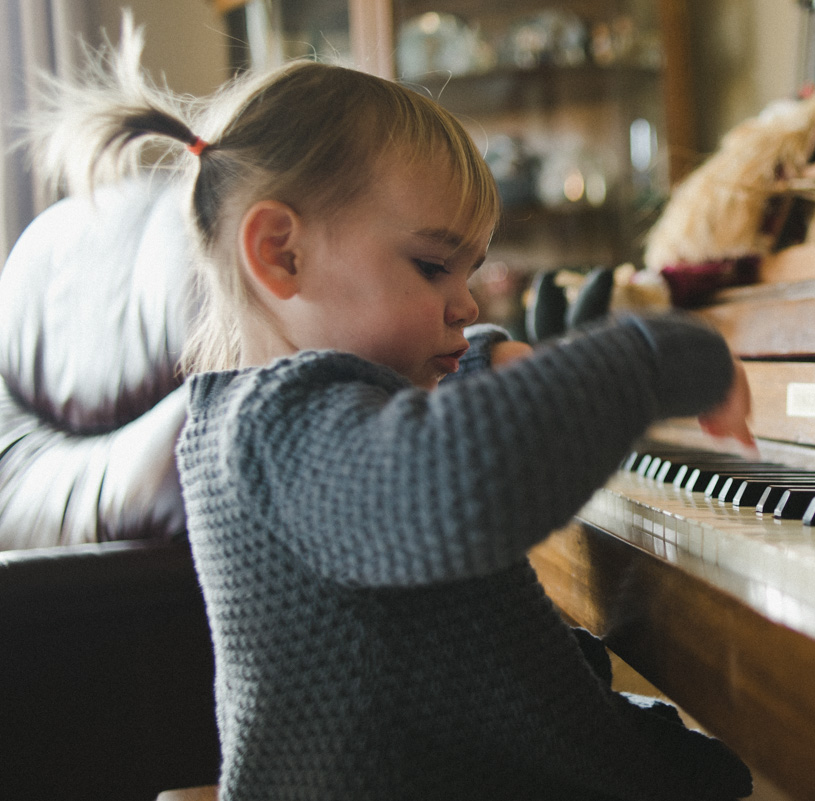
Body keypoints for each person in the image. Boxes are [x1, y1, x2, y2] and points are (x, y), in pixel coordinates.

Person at [31, 18, 756, 801]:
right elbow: (456, 482)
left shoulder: (266, 415)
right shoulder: (277, 428)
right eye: (433, 266)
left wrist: (481, 358)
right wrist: (652, 358)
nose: (466, 302)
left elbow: (389, 439)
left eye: (470, 273)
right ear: (281, 252)